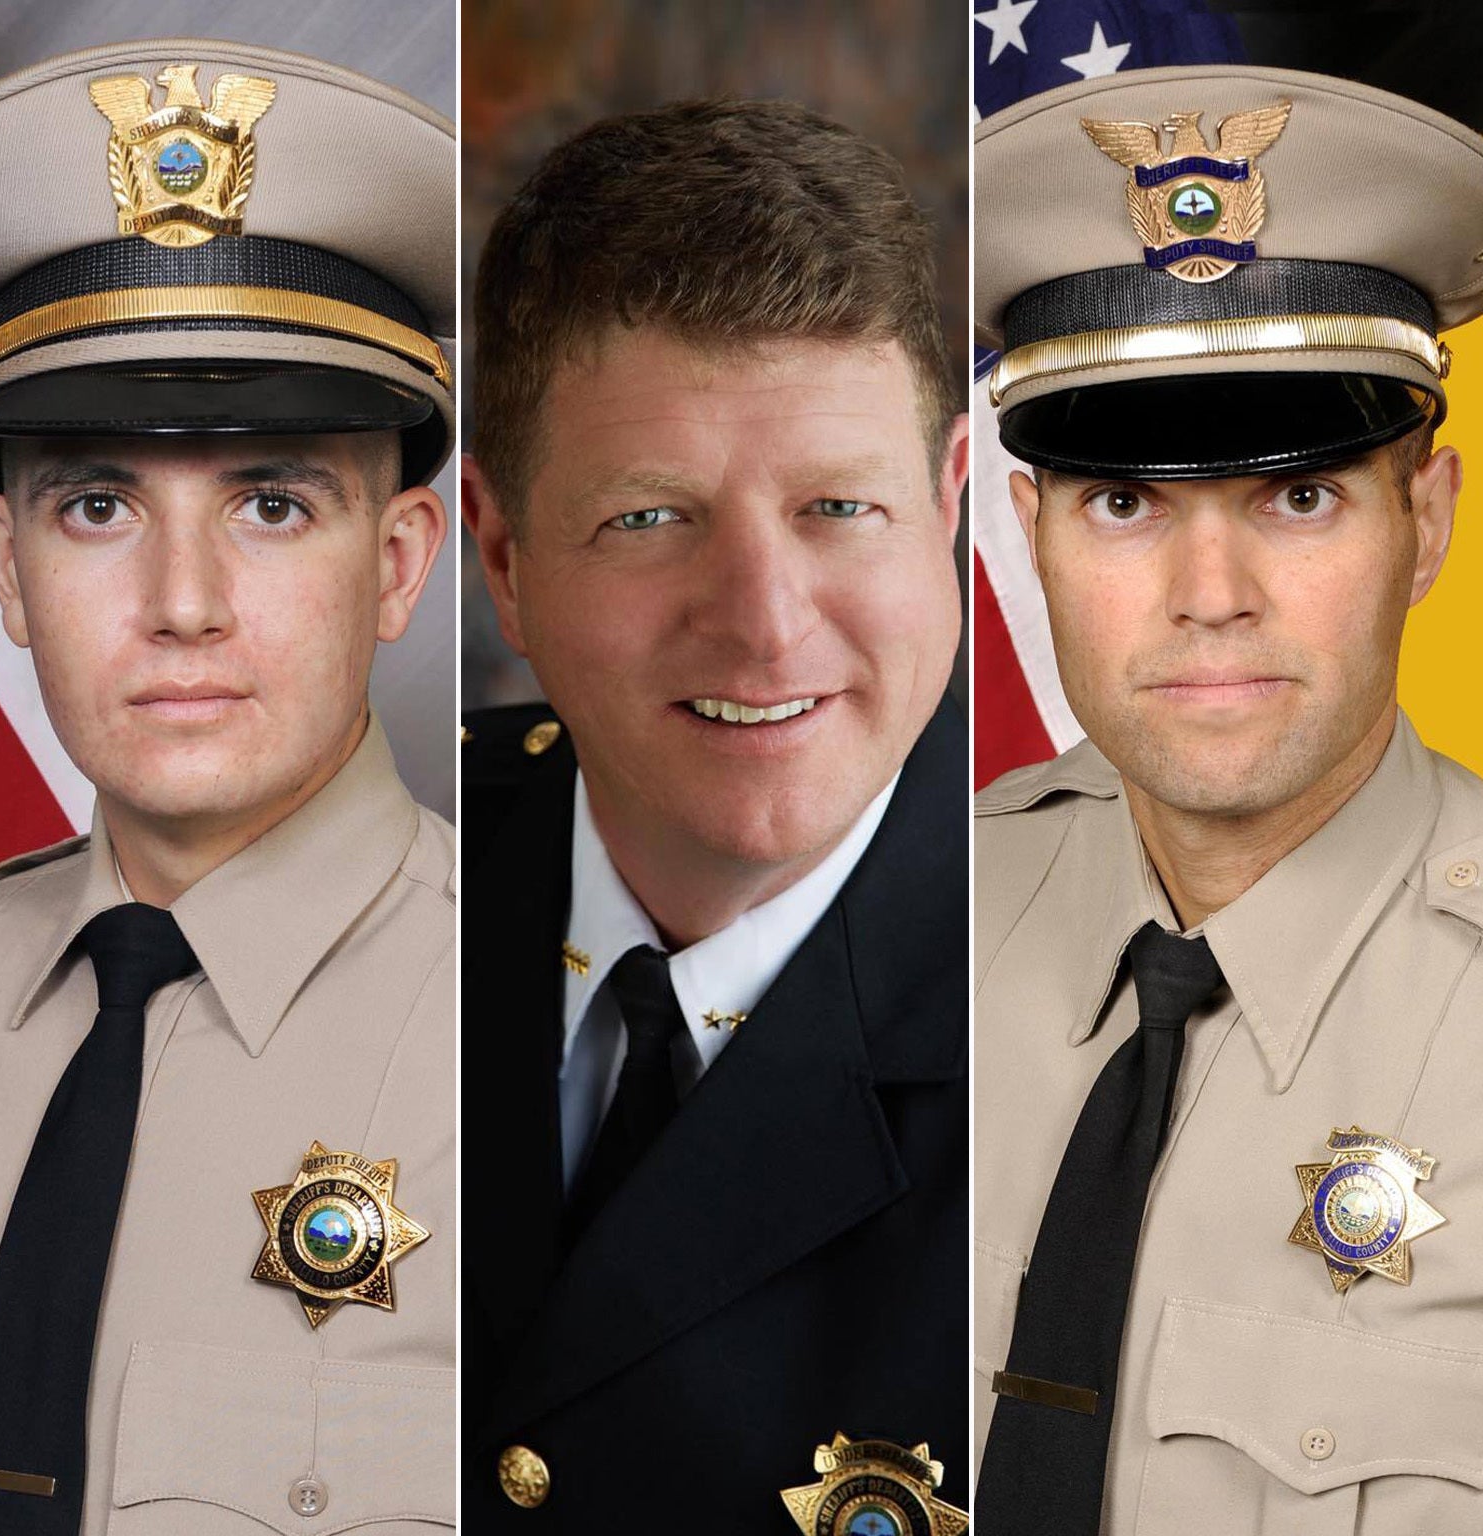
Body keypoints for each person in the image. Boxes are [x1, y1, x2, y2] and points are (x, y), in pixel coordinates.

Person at [0, 41, 456, 1535]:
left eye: (273, 503)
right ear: (9, 565)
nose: (183, 604)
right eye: (99, 506)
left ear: (400, 561)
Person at [973, 66, 1483, 1535]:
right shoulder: (906, 926)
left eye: (1299, 496)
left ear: (1426, 520)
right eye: (1124, 504)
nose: (1210, 601)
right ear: (1034, 532)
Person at [462, 100, 970, 1533]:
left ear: (949, 503)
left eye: (839, 508)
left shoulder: (1104, 997)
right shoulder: (374, 907)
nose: (762, 624)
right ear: (504, 558)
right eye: (650, 517)